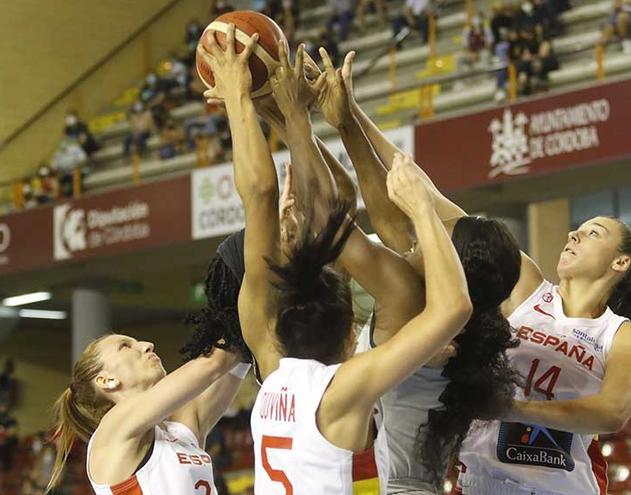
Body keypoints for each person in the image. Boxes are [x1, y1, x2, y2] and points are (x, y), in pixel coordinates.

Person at [338, 55, 631, 493]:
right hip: (482, 484)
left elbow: (613, 411)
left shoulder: (621, 335)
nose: (573, 233)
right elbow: (430, 201)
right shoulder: (526, 285)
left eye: (593, 233)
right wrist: (353, 116)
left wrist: (507, 407)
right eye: (579, 227)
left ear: (620, 262)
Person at [198, 27, 472, 493]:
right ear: (350, 335)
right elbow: (297, 208)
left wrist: (255, 106)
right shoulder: (346, 386)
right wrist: (273, 109)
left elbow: (276, 201)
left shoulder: (266, 357)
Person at [289, 48, 522, 493]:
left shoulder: (420, 316)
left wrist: (290, 117)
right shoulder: (448, 314)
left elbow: (337, 225)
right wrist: (343, 120)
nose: (417, 238)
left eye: (435, 237)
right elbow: (390, 218)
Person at [45, 332, 248, 494]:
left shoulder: (177, 431)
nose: (147, 344)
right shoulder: (113, 429)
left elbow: (236, 362)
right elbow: (213, 364)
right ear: (106, 380)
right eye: (125, 346)